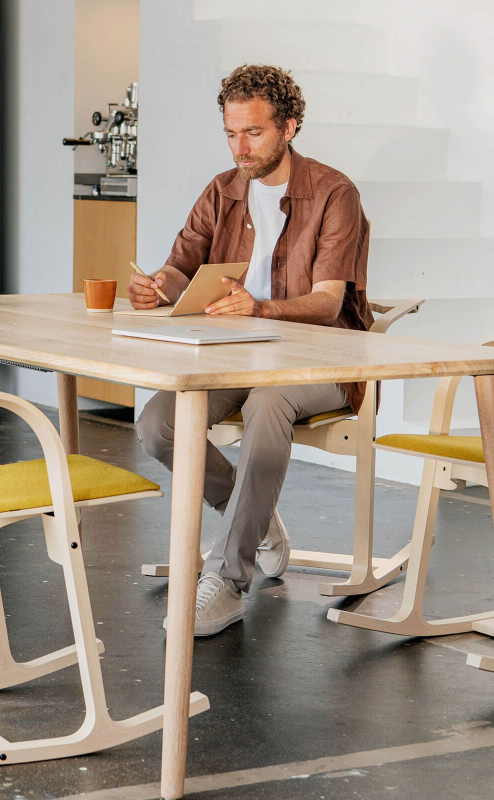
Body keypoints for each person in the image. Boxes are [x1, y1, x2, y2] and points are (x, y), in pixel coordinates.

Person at [129, 64, 373, 636]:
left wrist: (260, 308)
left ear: (290, 126)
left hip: (324, 358)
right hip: (237, 353)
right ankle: (255, 519)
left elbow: (327, 301)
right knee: (158, 425)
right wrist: (156, 286)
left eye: (254, 133)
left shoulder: (335, 193)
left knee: (269, 402)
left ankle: (230, 579)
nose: (240, 148)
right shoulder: (221, 190)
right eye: (231, 134)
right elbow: (179, 267)